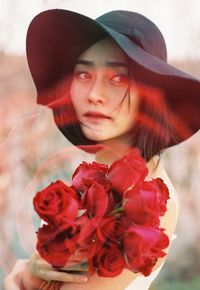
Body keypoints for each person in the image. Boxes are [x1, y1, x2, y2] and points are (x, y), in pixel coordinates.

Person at [3, 9, 200, 290]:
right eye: (83, 74)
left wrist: (16, 282)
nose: (94, 94)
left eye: (118, 78)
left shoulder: (148, 200)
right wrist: (31, 271)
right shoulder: (95, 176)